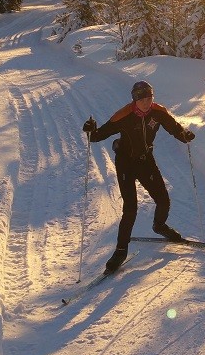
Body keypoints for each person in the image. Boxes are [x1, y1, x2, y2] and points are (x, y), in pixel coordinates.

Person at [83, 80, 196, 274]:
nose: (146, 102)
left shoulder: (158, 112)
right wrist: (90, 130)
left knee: (163, 200)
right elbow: (97, 136)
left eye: (149, 97)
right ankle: (120, 251)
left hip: (145, 161)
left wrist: (183, 134)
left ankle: (159, 226)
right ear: (134, 99)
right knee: (130, 208)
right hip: (125, 163)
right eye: (141, 98)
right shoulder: (123, 115)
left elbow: (174, 127)